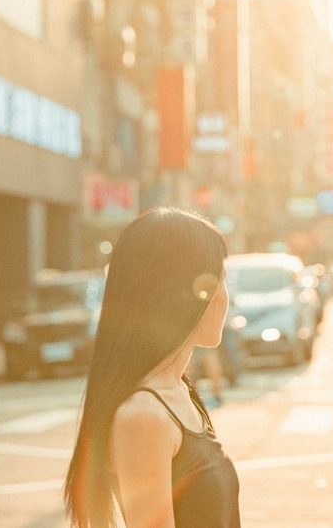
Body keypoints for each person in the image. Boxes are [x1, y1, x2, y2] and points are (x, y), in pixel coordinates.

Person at [64, 207, 240, 528]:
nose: (225, 297)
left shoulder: (179, 391)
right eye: (220, 280)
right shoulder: (145, 415)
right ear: (180, 292)